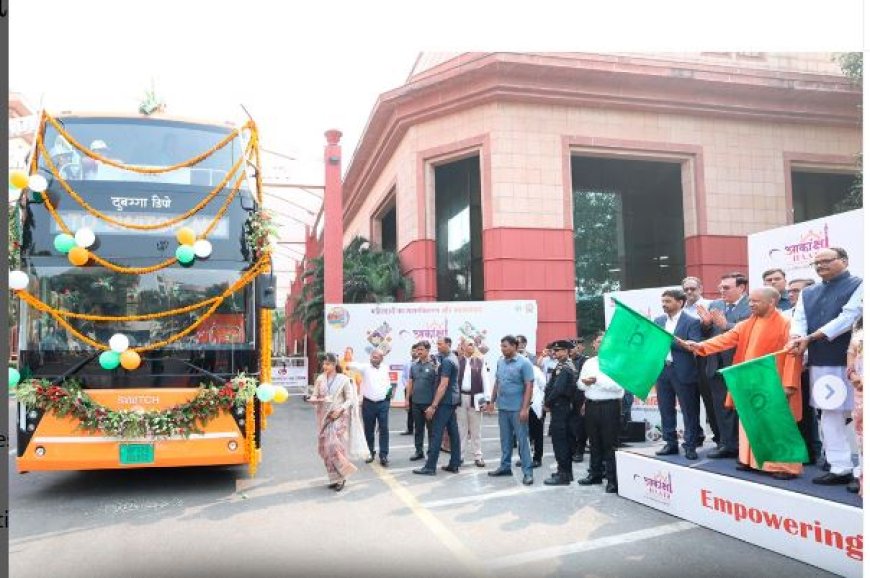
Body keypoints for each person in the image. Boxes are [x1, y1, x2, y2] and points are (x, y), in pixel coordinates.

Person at [686, 287, 803, 479]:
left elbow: (793, 355)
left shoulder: (787, 323)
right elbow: (725, 339)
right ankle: (754, 462)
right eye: (750, 301)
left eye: (755, 301)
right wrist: (701, 346)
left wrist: (789, 384)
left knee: (777, 426)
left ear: (771, 302)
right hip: (748, 381)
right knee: (750, 425)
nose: (750, 304)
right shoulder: (747, 323)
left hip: (774, 382)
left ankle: (785, 467)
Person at [790, 247, 863, 486]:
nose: (820, 266)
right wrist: (798, 338)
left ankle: (862, 471)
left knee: (861, 415)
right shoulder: (808, 292)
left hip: (856, 360)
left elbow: (849, 317)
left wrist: (811, 338)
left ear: (844, 260)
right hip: (822, 361)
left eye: (826, 261)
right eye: (816, 263)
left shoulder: (860, 285)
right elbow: (799, 320)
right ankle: (840, 466)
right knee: (830, 414)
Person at [695, 272, 751, 458]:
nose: (722, 292)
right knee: (721, 407)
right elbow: (707, 333)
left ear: (741, 288)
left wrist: (727, 325)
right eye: (720, 288)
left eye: (726, 288)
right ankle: (727, 444)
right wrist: (705, 323)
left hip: (739, 364)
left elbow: (751, 331)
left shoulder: (752, 304)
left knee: (742, 407)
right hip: (715, 363)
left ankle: (746, 448)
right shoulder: (715, 305)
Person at [654, 289, 703, 460]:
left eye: (667, 301)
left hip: (683, 371)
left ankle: (690, 445)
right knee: (666, 409)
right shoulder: (658, 321)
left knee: (689, 410)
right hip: (663, 370)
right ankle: (670, 443)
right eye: (663, 301)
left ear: (680, 302)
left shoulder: (692, 322)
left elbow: (693, 346)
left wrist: (670, 340)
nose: (664, 305)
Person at [308, 353, 367, 492]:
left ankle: (342, 476)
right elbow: (315, 395)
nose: (324, 366)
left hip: (339, 416)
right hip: (324, 417)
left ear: (334, 365)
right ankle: (333, 478)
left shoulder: (344, 379)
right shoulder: (320, 379)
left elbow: (350, 399)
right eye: (323, 364)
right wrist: (314, 399)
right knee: (326, 449)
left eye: (327, 364)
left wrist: (339, 410)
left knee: (334, 446)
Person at [578, 331, 625, 493]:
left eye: (604, 341)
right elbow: (580, 384)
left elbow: (618, 387)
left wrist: (597, 381)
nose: (600, 344)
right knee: (594, 442)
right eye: (598, 341)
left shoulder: (617, 362)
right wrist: (586, 383)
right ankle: (595, 474)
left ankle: (613, 480)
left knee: (610, 444)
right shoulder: (589, 363)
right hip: (591, 405)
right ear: (594, 345)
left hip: (609, 406)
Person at [487, 335, 535, 485]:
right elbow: (497, 382)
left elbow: (529, 386)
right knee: (505, 439)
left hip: (518, 409)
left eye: (506, 346)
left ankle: (528, 472)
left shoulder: (524, 363)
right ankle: (505, 466)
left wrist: (525, 408)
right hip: (503, 408)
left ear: (515, 346)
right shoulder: (500, 361)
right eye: (501, 346)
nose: (503, 349)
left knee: (523, 441)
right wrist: (492, 401)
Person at [413, 337, 462, 476]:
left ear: (448, 344)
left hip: (445, 401)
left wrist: (433, 405)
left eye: (440, 344)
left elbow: (443, 384)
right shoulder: (453, 357)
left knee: (436, 433)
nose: (438, 346)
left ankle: (430, 466)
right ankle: (454, 463)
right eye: (437, 344)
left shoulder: (447, 361)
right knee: (453, 433)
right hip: (452, 400)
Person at [786, 278, 821, 465]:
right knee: (795, 413)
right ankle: (799, 451)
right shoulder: (785, 315)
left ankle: (814, 452)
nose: (791, 294)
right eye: (789, 291)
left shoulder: (818, 315)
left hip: (813, 368)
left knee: (811, 413)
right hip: (791, 370)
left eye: (796, 291)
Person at [682, 275, 719, 447]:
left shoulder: (712, 305)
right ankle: (695, 436)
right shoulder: (680, 310)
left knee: (711, 400)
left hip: (706, 359)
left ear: (701, 289)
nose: (689, 292)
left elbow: (715, 331)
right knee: (689, 401)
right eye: (686, 289)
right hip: (685, 361)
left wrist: (707, 324)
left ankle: (719, 437)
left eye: (693, 288)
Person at [348, 350, 392, 466]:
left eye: (376, 357)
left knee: (384, 429)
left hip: (383, 404)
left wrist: (388, 399)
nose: (373, 359)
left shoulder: (385, 368)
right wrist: (348, 360)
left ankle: (384, 455)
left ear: (382, 358)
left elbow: (388, 383)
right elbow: (351, 365)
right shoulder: (365, 368)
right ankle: (370, 452)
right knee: (369, 429)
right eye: (372, 357)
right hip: (368, 404)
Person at [543, 340, 577, 485]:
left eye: (558, 351)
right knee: (563, 441)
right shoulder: (562, 365)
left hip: (561, 408)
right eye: (554, 351)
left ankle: (563, 475)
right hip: (561, 408)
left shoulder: (566, 368)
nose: (554, 353)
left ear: (566, 351)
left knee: (560, 442)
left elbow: (557, 389)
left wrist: (547, 402)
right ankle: (565, 472)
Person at [457, 340, 490, 467]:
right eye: (469, 344)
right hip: (461, 398)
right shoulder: (457, 361)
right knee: (461, 429)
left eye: (473, 344)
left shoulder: (480, 362)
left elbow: (485, 381)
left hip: (476, 398)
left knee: (476, 429)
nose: (472, 346)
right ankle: (459, 456)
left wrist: (486, 400)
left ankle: (478, 455)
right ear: (463, 346)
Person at [407, 341, 437, 461]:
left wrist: (434, 405)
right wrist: (407, 399)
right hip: (416, 402)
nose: (419, 352)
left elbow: (437, 385)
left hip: (429, 404)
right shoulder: (414, 365)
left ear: (428, 350)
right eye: (417, 350)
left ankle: (431, 452)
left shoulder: (434, 366)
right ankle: (419, 451)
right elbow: (410, 382)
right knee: (418, 429)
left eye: (421, 350)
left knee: (431, 430)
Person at [846, 318, 863, 495]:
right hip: (860, 389)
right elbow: (851, 353)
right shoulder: (859, 325)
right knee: (861, 436)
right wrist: (852, 375)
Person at [569, 338, 589, 462]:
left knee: (581, 426)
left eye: (574, 347)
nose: (572, 350)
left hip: (581, 397)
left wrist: (585, 402)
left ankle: (580, 450)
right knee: (570, 425)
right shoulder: (566, 362)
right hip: (569, 398)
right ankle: (572, 449)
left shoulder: (585, 361)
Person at [400, 345, 416, 436]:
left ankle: (418, 429)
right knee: (409, 409)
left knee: (417, 410)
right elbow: (403, 377)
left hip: (418, 390)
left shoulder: (420, 364)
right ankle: (409, 429)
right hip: (408, 390)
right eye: (412, 351)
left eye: (416, 351)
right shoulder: (407, 364)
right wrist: (407, 386)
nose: (414, 352)